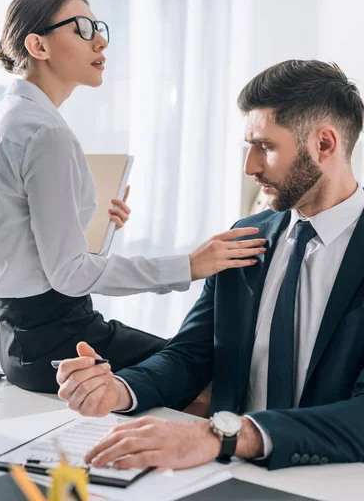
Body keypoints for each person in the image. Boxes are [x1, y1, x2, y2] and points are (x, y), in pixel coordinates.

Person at [57, 59, 364, 471]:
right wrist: (120, 389)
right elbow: (191, 354)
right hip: (225, 477)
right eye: (249, 146)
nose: (250, 166)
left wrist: (224, 434)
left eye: (266, 147)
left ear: (324, 144)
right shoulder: (246, 236)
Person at [0, 0, 266, 394]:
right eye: (83, 28)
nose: (101, 40)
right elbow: (69, 274)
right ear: (38, 45)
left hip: (19, 342)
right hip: (63, 340)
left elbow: (11, 243)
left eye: (99, 27)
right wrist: (189, 265)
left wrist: (94, 226)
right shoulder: (46, 133)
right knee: (214, 381)